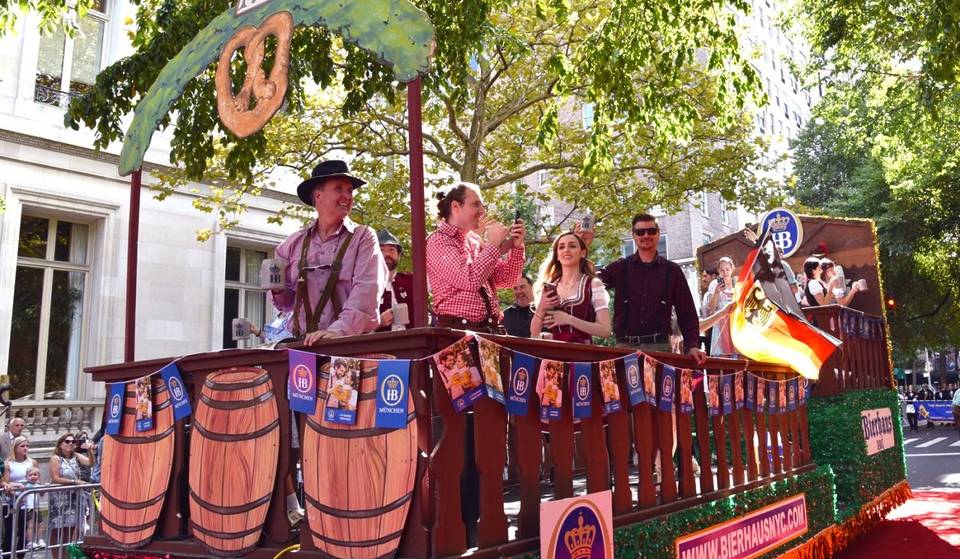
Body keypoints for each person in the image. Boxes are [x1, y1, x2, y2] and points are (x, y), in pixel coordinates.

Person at [269, 160, 387, 345]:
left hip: (348, 349)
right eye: (339, 189)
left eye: (350, 190)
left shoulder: (363, 237)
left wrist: (337, 332)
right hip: (302, 349)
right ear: (318, 196)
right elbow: (286, 304)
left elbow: (367, 292)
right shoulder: (291, 244)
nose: (347, 196)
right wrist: (277, 289)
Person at [580, 214, 706, 364]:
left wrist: (692, 346)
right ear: (633, 235)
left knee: (659, 388)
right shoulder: (620, 268)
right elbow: (587, 281)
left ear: (658, 234)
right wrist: (583, 247)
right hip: (625, 348)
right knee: (624, 388)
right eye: (640, 232)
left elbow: (687, 313)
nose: (646, 235)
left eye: (651, 231)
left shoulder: (672, 271)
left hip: (660, 348)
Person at [426, 182, 525, 333]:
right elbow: (469, 280)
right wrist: (493, 244)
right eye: (476, 204)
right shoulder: (438, 240)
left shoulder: (474, 241)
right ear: (455, 207)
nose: (482, 211)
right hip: (457, 334)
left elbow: (506, 280)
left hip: (488, 332)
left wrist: (516, 247)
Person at [529, 232, 611, 343]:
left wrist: (568, 319)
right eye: (561, 247)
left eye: (572, 246)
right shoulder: (550, 286)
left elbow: (605, 330)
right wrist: (541, 308)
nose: (566, 250)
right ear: (557, 255)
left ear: (583, 253)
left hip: (582, 354)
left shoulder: (593, 284)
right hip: (553, 355)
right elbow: (534, 333)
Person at [48, 433, 94, 555]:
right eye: (67, 442)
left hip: (74, 498)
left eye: (73, 442)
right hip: (59, 498)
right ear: (60, 444)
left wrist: (89, 450)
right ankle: (55, 556)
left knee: (69, 529)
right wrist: (74, 482)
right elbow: (55, 478)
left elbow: (90, 463)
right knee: (57, 529)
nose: (70, 444)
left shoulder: (76, 456)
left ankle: (65, 556)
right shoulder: (56, 458)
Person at [2, 436, 37, 556]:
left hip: (28, 503)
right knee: (10, 533)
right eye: (22, 446)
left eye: (27, 446)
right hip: (11, 502)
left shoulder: (32, 462)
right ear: (15, 448)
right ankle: (7, 556)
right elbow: (5, 482)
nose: (25, 448)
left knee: (24, 533)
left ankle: (20, 556)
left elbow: (36, 479)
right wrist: (14, 486)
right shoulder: (8, 464)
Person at [376, 229, 415, 332]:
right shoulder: (364, 285)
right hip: (379, 345)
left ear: (399, 255)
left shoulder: (411, 281)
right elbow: (354, 323)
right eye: (382, 250)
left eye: (391, 250)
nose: (387, 254)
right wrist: (378, 323)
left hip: (412, 343)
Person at [702, 256, 738, 357]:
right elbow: (711, 308)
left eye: (727, 269)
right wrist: (717, 293)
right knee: (722, 354)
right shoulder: (714, 284)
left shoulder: (736, 282)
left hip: (735, 322)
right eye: (722, 270)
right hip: (720, 322)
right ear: (718, 271)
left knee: (737, 353)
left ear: (732, 269)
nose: (725, 272)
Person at [698, 267, 718, 353]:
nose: (703, 279)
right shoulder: (706, 294)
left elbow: (711, 310)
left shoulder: (716, 288)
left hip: (715, 327)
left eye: (706, 276)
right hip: (708, 328)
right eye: (703, 277)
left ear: (713, 276)